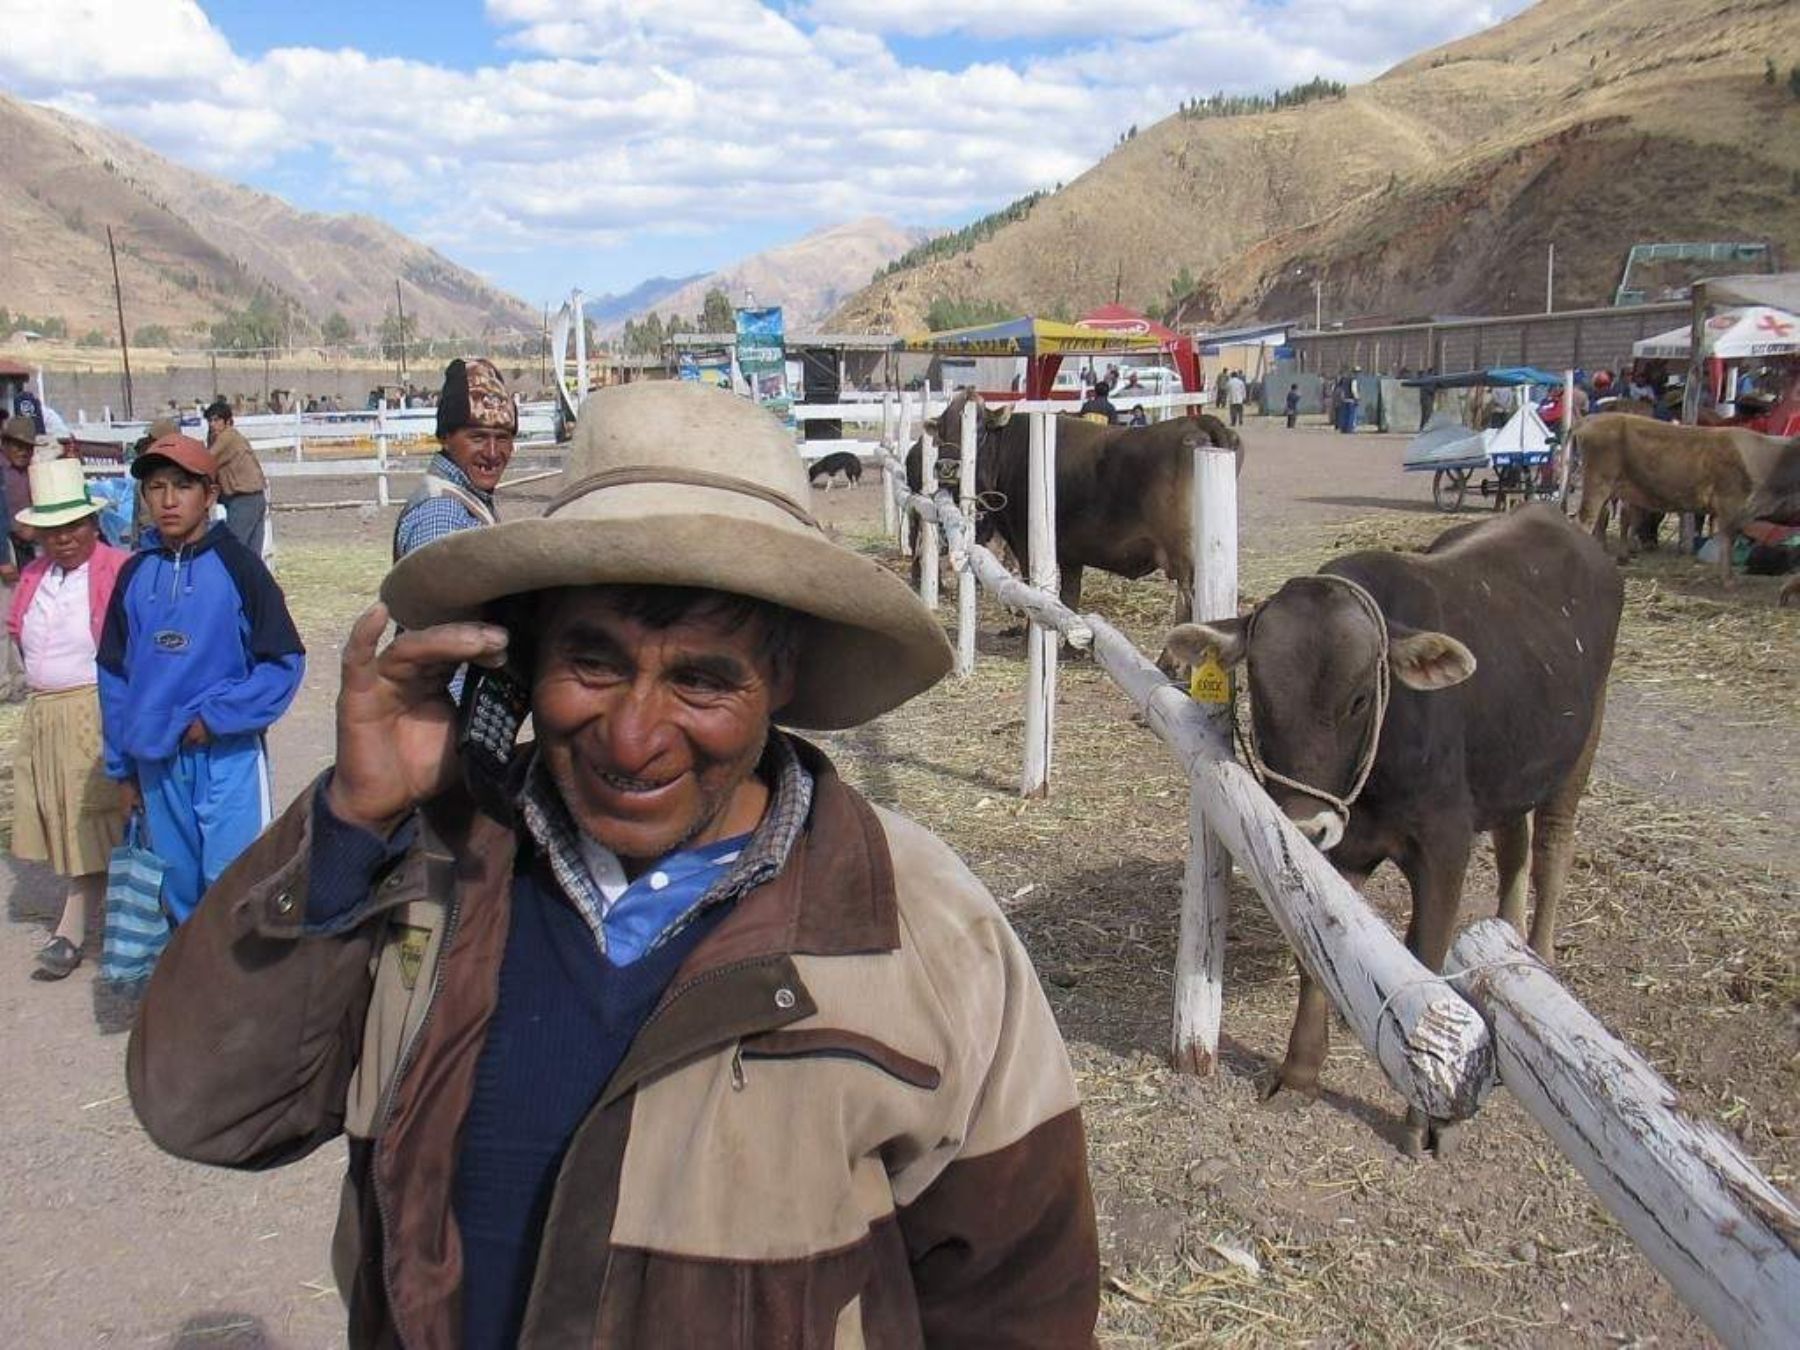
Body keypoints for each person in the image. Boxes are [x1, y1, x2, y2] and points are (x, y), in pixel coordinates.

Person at [128, 382, 1100, 1349]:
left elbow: (1021, 1304)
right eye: (593, 663)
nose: (635, 739)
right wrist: (349, 821)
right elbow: (203, 1114)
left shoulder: (923, 930)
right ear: (526, 655)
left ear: (785, 679)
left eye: (703, 678)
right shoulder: (422, 863)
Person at [97, 434, 305, 924]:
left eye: (183, 487)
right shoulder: (133, 575)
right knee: (178, 886)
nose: (168, 500)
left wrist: (213, 720)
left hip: (226, 755)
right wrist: (122, 770)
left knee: (235, 882)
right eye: (156, 487)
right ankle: (190, 993)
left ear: (210, 495)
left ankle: (240, 995)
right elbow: (113, 677)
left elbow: (284, 662)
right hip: (156, 763)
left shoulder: (239, 568)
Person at [7, 458, 130, 978]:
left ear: (92, 524)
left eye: (73, 526)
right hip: (46, 714)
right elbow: (19, 634)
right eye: (53, 529)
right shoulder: (36, 576)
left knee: (96, 818)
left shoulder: (118, 569)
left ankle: (74, 927)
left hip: (95, 709)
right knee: (64, 816)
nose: (64, 538)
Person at [393, 358, 517, 561]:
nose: (492, 453)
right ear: (445, 437)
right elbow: (439, 592)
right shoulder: (442, 515)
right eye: (478, 437)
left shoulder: (467, 500)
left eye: (502, 438)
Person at [201, 399, 270, 554]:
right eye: (210, 420)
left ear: (227, 421)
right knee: (251, 555)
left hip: (244, 499)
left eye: (216, 420)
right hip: (255, 498)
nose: (212, 424)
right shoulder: (231, 437)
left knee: (233, 551)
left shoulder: (227, 437)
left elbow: (206, 460)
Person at [3, 414, 41, 570]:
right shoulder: (3, 473)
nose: (23, 452)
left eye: (28, 447)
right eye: (18, 446)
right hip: (8, 546)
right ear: (5, 444)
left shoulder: (32, 471)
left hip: (29, 547)